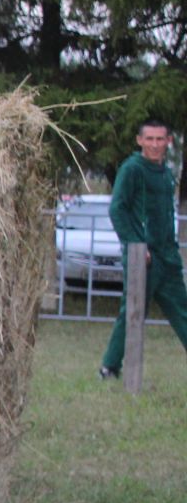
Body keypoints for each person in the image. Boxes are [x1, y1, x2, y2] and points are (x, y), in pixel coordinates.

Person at [99, 116, 187, 380]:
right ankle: (110, 367)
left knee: (182, 310)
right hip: (142, 256)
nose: (155, 144)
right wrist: (136, 244)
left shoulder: (166, 173)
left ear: (169, 142)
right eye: (149, 139)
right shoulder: (132, 168)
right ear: (140, 141)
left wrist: (170, 251)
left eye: (160, 139)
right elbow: (117, 209)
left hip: (167, 256)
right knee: (133, 311)